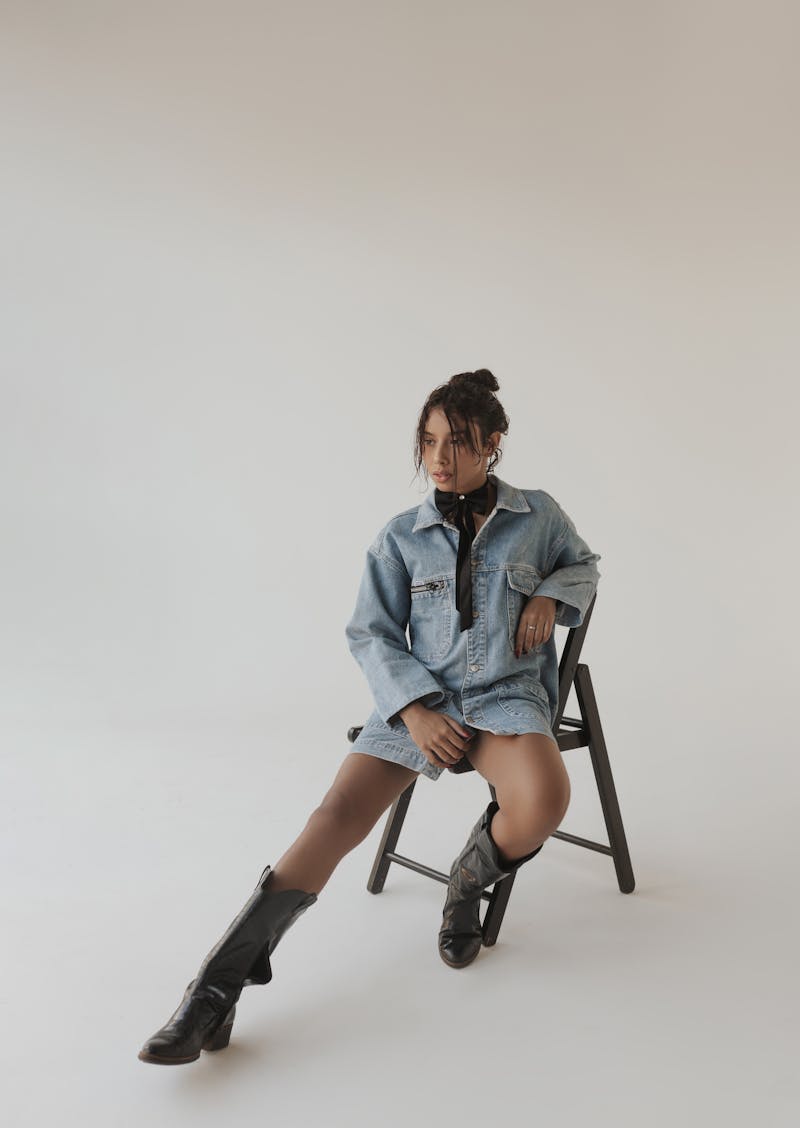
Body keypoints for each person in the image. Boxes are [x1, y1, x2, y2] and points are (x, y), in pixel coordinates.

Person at [138, 368, 601, 1065]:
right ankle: (213, 994)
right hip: (423, 699)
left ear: (494, 443)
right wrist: (413, 711)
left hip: (504, 695)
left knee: (545, 798)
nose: (439, 458)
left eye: (457, 442)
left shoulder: (539, 516)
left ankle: (467, 881)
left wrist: (552, 597)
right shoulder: (399, 538)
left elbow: (586, 566)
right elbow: (370, 634)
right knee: (331, 819)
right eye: (428, 441)